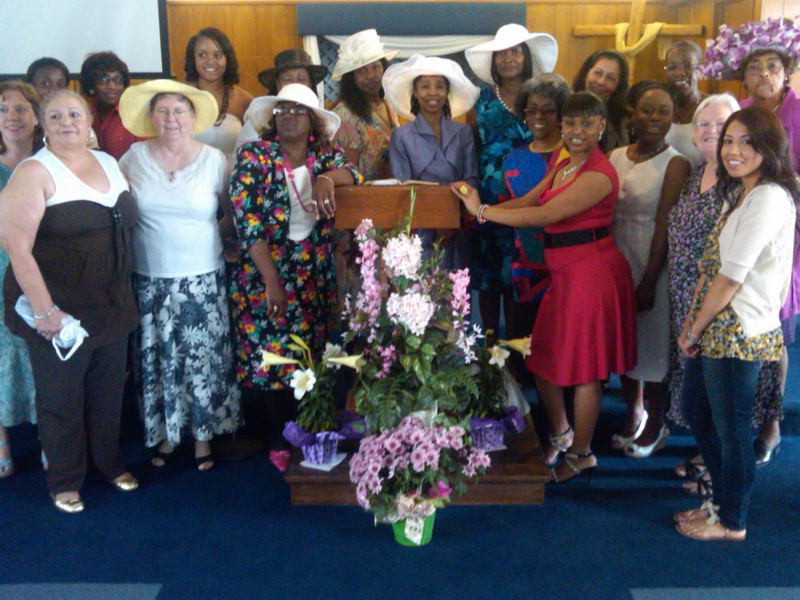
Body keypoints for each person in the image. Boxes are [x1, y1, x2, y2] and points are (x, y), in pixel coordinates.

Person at [452, 91, 637, 482]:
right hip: (565, 272)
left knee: (586, 370)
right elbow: (531, 198)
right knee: (541, 360)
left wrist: (481, 212)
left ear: (602, 126)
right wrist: (480, 203)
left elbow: (546, 213)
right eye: (571, 123)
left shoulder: (600, 172)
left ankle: (582, 453)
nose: (577, 130)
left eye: (587, 123)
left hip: (591, 273)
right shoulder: (563, 159)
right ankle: (561, 432)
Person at [0, 89, 139, 513]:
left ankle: (108, 465)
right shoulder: (32, 172)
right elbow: (15, 247)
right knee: (61, 400)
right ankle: (64, 481)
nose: (67, 122)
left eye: (75, 114)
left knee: (107, 393)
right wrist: (44, 311)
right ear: (43, 124)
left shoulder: (111, 164)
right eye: (56, 116)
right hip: (59, 310)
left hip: (111, 304)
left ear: (90, 120)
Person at [674, 106, 798, 541]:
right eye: (729, 140)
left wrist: (692, 329)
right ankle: (721, 501)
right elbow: (711, 266)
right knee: (696, 412)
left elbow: (730, 277)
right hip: (714, 326)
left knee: (731, 430)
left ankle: (732, 521)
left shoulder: (768, 196)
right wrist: (693, 323)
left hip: (738, 331)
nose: (733, 150)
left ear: (768, 147)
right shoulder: (742, 192)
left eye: (746, 141)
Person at [229, 84, 361, 472]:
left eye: (298, 111)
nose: (288, 116)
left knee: (310, 352)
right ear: (273, 119)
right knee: (273, 358)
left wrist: (328, 179)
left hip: (313, 269)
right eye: (282, 110)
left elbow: (354, 171)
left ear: (313, 121)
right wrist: (271, 280)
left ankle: (311, 428)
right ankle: (278, 438)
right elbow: (247, 223)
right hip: (265, 269)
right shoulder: (255, 155)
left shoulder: (325, 155)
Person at [118, 80, 243, 471]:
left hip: (202, 279)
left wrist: (214, 239)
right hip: (150, 280)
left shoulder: (214, 160)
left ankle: (204, 437)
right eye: (163, 111)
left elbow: (231, 214)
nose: (171, 118)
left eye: (179, 111)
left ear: (193, 118)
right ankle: (168, 435)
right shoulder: (131, 158)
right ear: (151, 117)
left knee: (202, 361)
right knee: (159, 362)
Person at [609, 82, 690, 457]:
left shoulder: (675, 163)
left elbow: (664, 224)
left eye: (663, 111)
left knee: (653, 345)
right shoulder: (614, 156)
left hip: (651, 257)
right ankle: (634, 412)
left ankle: (656, 424)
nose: (655, 118)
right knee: (624, 342)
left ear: (673, 118)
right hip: (614, 255)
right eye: (647, 110)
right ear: (633, 113)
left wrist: (648, 280)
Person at [666, 94, 740, 489]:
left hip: (719, 299)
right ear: (692, 135)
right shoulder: (696, 173)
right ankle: (707, 452)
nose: (711, 130)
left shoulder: (740, 181)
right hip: (684, 293)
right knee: (698, 382)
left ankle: (719, 469)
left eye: (721, 123)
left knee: (718, 383)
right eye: (703, 124)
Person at [465, 24, 557, 338]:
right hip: (489, 203)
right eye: (501, 53)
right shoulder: (479, 100)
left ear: (526, 57)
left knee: (524, 279)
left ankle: (519, 355)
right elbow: (472, 148)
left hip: (533, 199)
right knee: (490, 280)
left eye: (515, 51)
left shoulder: (541, 99)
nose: (508, 58)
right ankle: (490, 350)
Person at [501, 73, 571, 380]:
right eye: (532, 110)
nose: (539, 116)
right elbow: (507, 205)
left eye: (548, 110)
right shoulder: (513, 157)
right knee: (524, 348)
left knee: (562, 347)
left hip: (567, 265)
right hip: (525, 266)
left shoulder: (573, 155)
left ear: (560, 113)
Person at [385, 54, 480, 270]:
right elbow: (403, 188)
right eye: (425, 86)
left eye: (439, 86)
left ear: (447, 92)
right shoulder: (402, 135)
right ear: (415, 93)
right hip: (419, 231)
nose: (432, 92)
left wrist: (450, 221)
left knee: (456, 296)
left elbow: (472, 178)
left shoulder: (463, 132)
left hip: (457, 227)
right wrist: (436, 222)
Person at [0, 81, 42, 477]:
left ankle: (51, 440)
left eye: (20, 109)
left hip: (44, 274)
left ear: (36, 116)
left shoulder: (51, 162)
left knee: (42, 358)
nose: (11, 117)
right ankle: (2, 448)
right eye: (2, 109)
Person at [330, 29, 400, 181]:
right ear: (351, 78)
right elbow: (348, 170)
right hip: (364, 196)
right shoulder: (345, 113)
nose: (371, 75)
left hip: (392, 190)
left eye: (375, 67)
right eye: (362, 70)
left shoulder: (388, 103)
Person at [237, 49, 329, 152]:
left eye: (301, 78)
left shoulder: (321, 121)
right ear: (278, 84)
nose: (295, 83)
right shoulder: (256, 123)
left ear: (310, 83)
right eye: (287, 79)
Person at [184, 27, 254, 158]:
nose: (210, 61)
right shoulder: (179, 96)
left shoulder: (245, 101)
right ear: (192, 58)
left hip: (233, 177)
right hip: (187, 176)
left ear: (228, 59)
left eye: (218, 55)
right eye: (202, 55)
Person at [79, 51, 140, 160]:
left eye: (117, 80)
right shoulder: (83, 114)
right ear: (92, 84)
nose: (112, 86)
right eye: (104, 79)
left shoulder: (135, 115)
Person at [573, 49, 630, 152]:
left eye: (610, 78)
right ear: (586, 73)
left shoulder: (623, 121)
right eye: (598, 73)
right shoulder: (565, 105)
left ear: (618, 85)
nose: (601, 81)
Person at [662, 41, 705, 166]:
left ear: (700, 69)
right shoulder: (659, 107)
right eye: (672, 67)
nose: (679, 72)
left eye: (687, 66)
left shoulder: (711, 107)